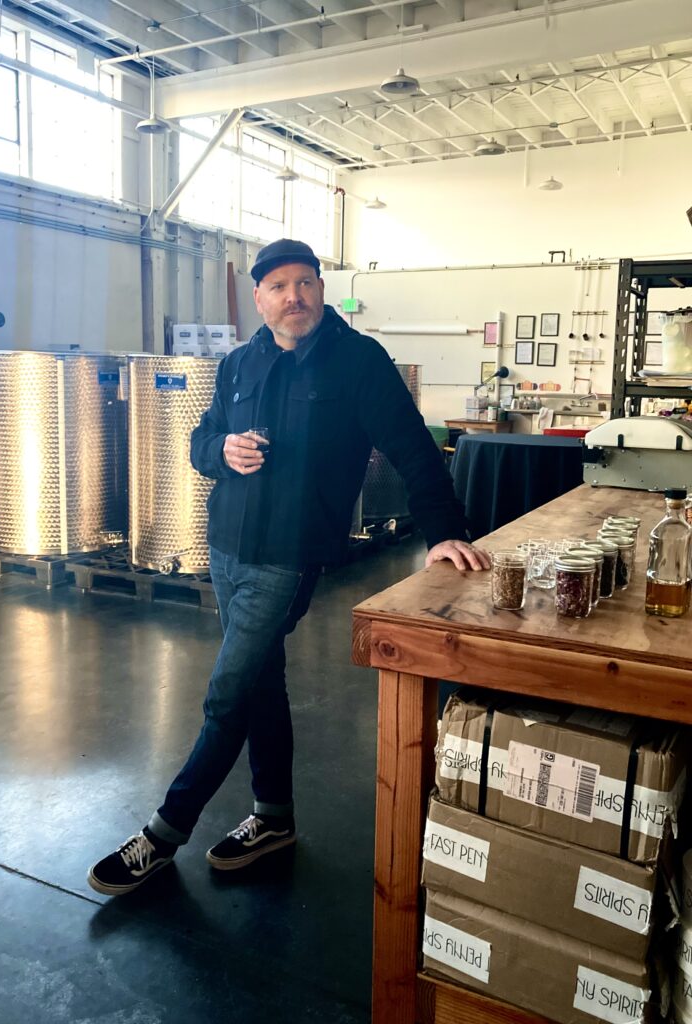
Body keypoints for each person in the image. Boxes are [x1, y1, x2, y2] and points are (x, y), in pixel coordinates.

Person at [87, 238, 489, 896]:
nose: (293, 296)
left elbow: (414, 449)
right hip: (227, 547)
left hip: (289, 554)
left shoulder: (357, 362)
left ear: (321, 290)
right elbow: (200, 440)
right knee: (259, 680)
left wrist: (445, 532)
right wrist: (223, 450)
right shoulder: (240, 363)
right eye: (278, 287)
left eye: (304, 283)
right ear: (259, 299)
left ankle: (163, 834)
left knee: (227, 694)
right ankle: (273, 817)